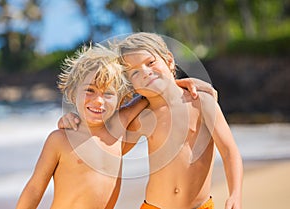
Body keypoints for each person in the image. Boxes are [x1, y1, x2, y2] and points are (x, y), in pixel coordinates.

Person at [61, 32, 242, 209]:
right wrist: (74, 122)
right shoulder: (143, 116)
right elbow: (105, 147)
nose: (145, 72)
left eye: (150, 63)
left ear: (169, 61)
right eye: (135, 73)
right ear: (132, 85)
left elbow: (229, 152)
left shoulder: (202, 103)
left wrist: (235, 194)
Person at [16, 44, 150, 209]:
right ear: (73, 93)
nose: (98, 101)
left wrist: (186, 83)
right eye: (90, 90)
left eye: (108, 93)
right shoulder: (61, 139)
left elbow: (149, 96)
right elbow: (35, 187)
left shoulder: (118, 131)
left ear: (121, 100)